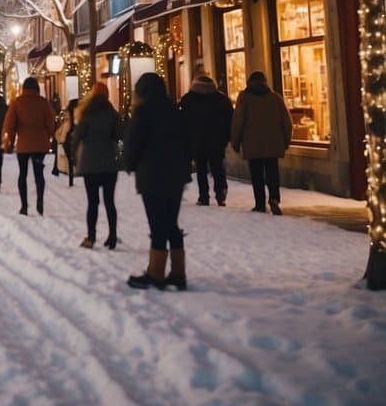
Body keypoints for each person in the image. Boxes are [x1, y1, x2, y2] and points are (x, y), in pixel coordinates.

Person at [124, 72, 191, 290]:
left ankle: (156, 273)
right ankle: (178, 273)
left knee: (157, 223)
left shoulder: (142, 112)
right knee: (171, 222)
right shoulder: (175, 110)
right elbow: (187, 141)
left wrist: (129, 164)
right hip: (176, 175)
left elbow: (133, 143)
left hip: (152, 175)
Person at [231, 71, 293, 215]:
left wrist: (235, 141)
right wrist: (286, 141)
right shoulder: (275, 98)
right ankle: (274, 198)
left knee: (257, 174)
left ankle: (260, 203)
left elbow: (238, 121)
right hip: (273, 142)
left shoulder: (244, 98)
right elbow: (287, 122)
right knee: (272, 171)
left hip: (252, 144)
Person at [71, 83, 122, 250]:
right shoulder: (112, 113)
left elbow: (78, 136)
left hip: (90, 163)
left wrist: (73, 155)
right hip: (108, 163)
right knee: (110, 202)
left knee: (92, 202)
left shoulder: (87, 113)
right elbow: (119, 134)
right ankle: (112, 236)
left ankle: (91, 237)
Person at [2, 78, 57, 216]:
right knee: (39, 174)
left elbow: (10, 125)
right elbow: (51, 125)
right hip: (40, 145)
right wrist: (49, 134)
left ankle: (24, 206)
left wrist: (9, 141)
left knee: (23, 174)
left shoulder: (17, 103)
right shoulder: (43, 103)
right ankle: (40, 202)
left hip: (24, 145)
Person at [179, 75, 234, 206]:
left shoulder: (188, 99)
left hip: (196, 140)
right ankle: (220, 193)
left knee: (201, 169)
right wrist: (227, 137)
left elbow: (182, 121)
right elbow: (230, 119)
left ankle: (204, 196)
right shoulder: (221, 99)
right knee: (217, 167)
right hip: (216, 140)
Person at [53, 98, 79, 187]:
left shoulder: (68, 117)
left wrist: (60, 139)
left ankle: (71, 177)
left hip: (66, 140)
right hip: (71, 138)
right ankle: (72, 175)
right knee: (72, 159)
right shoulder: (77, 116)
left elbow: (58, 132)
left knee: (70, 160)